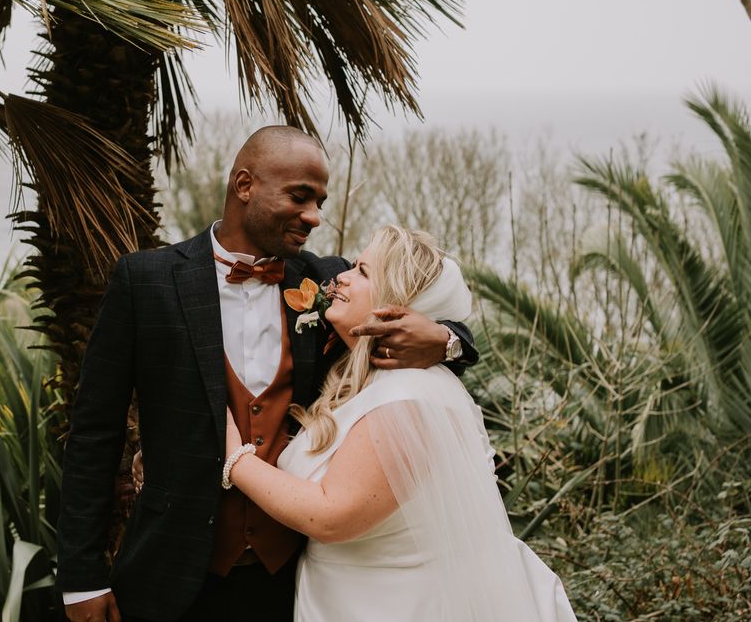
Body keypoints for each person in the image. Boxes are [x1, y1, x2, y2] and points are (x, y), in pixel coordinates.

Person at [57, 126, 478, 622]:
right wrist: (81, 577)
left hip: (292, 577)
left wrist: (449, 339)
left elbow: (428, 311)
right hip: (169, 569)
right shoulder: (145, 281)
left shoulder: (326, 280)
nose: (314, 217)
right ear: (244, 185)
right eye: (300, 197)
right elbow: (93, 434)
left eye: (320, 201)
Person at [223, 224, 578, 622]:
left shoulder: (408, 395)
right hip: (336, 596)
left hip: (393, 604)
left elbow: (330, 514)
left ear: (396, 304)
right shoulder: (364, 382)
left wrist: (235, 458)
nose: (340, 276)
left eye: (362, 271)